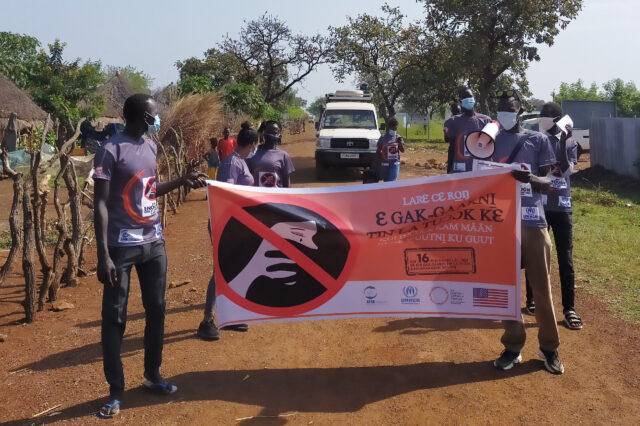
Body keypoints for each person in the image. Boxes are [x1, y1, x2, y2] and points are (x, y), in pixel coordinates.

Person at [93, 94, 207, 418]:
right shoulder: (110, 149)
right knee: (115, 317)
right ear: (144, 116)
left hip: (153, 243)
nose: (158, 118)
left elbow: (148, 190)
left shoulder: (151, 147)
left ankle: (152, 375)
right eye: (155, 114)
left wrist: (181, 181)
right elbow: (100, 203)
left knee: (156, 308)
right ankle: (115, 391)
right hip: (121, 246)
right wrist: (103, 255)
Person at [484, 89, 564, 375]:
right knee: (506, 291)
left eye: (509, 107)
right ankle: (513, 346)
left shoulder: (538, 140)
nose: (505, 112)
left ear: (520, 109)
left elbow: (551, 182)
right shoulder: (489, 140)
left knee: (541, 290)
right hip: (501, 226)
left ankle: (549, 347)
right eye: (501, 107)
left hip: (533, 223)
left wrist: (529, 178)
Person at [197, 122, 259, 341]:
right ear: (252, 144)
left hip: (236, 225)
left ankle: (228, 316)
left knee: (231, 269)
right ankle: (206, 321)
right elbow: (227, 196)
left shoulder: (238, 161)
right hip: (225, 224)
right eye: (255, 145)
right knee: (220, 271)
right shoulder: (231, 164)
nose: (255, 149)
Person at [524, 102, 582, 330]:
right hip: (539, 206)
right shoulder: (536, 140)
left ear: (558, 120)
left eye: (547, 117)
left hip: (562, 207)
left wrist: (562, 142)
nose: (543, 120)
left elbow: (567, 171)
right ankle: (532, 299)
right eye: (542, 116)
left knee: (565, 259)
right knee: (535, 256)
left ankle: (569, 309)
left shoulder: (570, 142)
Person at [444, 86, 492, 173]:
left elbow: (492, 146)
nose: (468, 99)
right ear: (461, 101)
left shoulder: (486, 121)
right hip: (459, 172)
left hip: (480, 171)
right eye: (465, 97)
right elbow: (449, 144)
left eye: (470, 96)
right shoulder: (453, 121)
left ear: (474, 98)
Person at [248, 121, 295, 188]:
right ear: (264, 133)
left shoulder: (284, 156)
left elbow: (287, 184)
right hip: (256, 196)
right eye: (270, 132)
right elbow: (245, 178)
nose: (273, 135)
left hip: (275, 197)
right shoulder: (252, 153)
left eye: (276, 133)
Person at [376, 117, 405, 182]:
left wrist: (399, 142)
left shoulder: (398, 137)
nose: (395, 129)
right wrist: (377, 163)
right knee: (386, 181)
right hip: (384, 164)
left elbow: (403, 150)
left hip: (395, 164)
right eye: (393, 128)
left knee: (392, 181)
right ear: (389, 127)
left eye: (396, 127)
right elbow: (378, 150)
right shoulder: (383, 137)